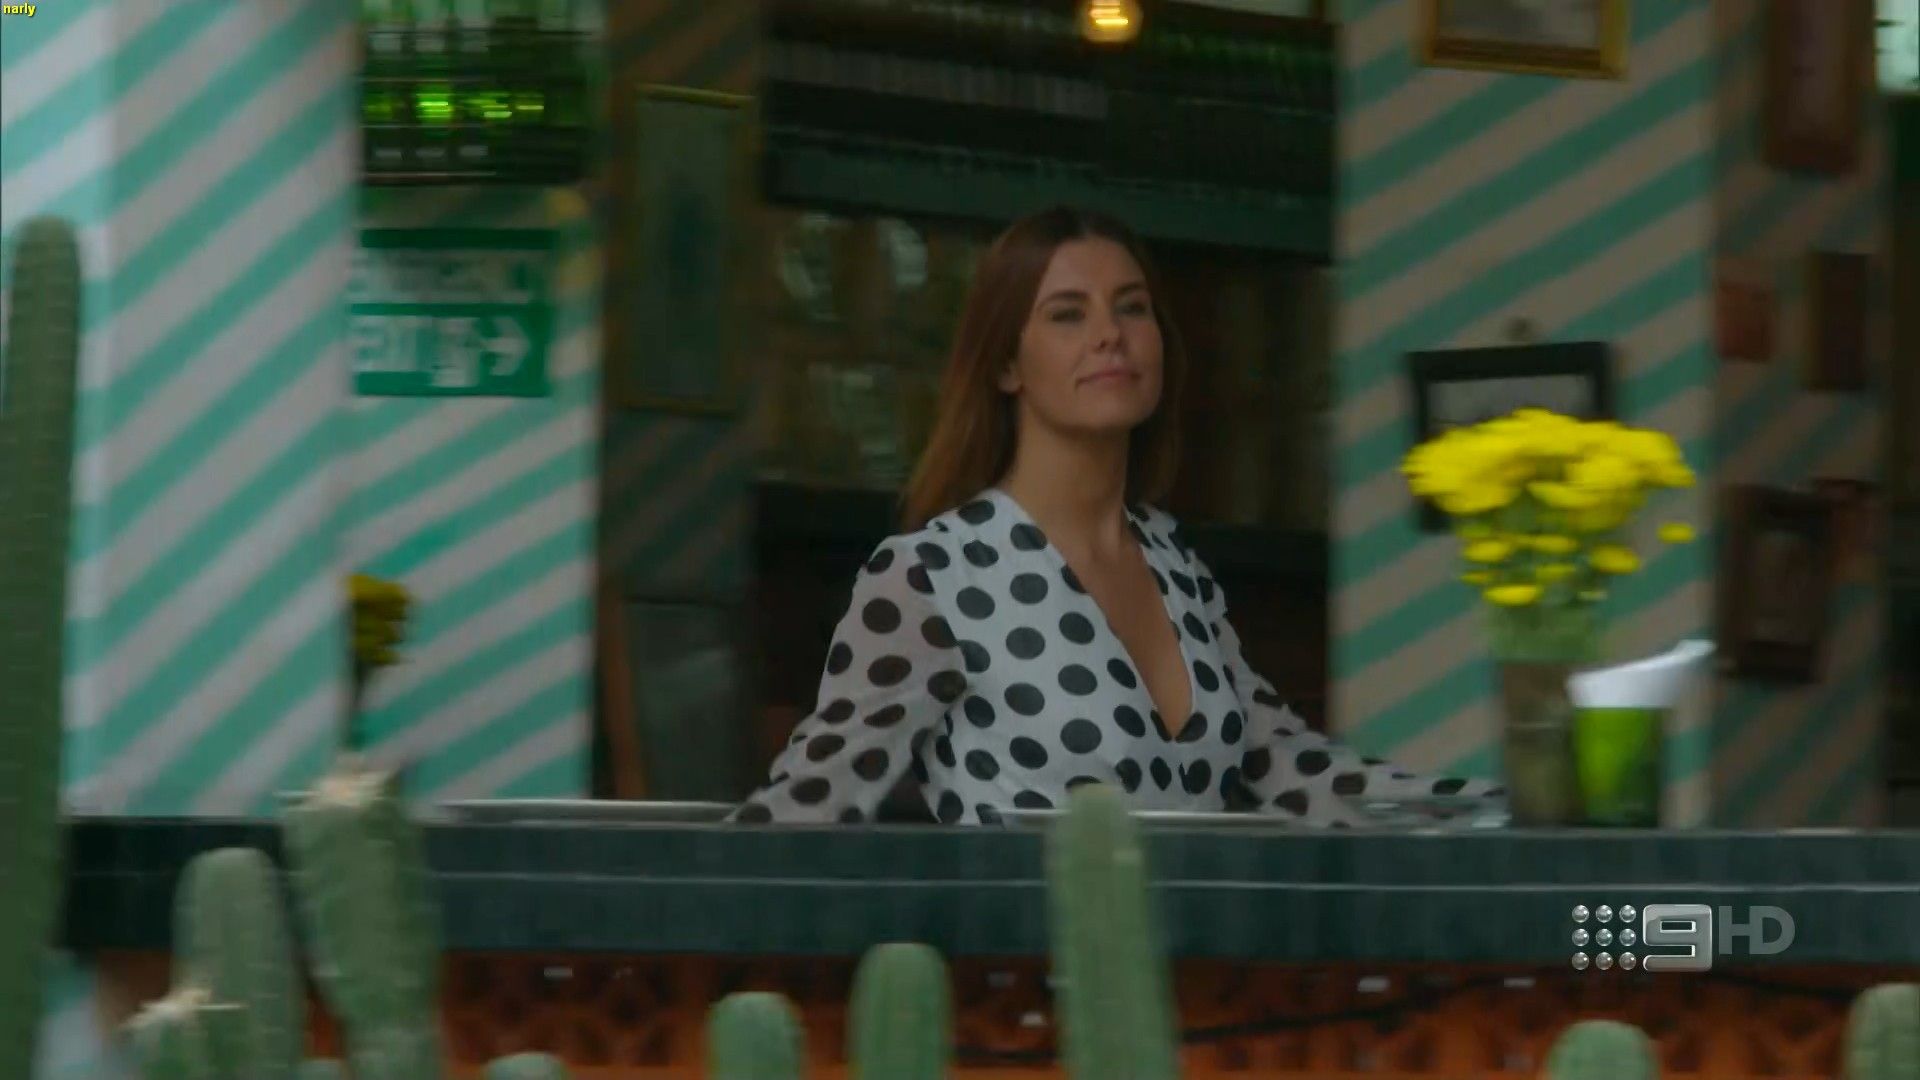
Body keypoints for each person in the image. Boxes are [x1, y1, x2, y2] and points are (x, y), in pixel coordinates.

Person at [732, 206, 1501, 827]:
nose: (1110, 334)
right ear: (1006, 364)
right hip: (1022, 967)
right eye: (1068, 315)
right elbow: (806, 807)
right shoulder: (931, 576)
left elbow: (1296, 769)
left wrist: (1494, 810)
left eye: (1132, 308)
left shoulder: (1175, 566)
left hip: (1196, 965)